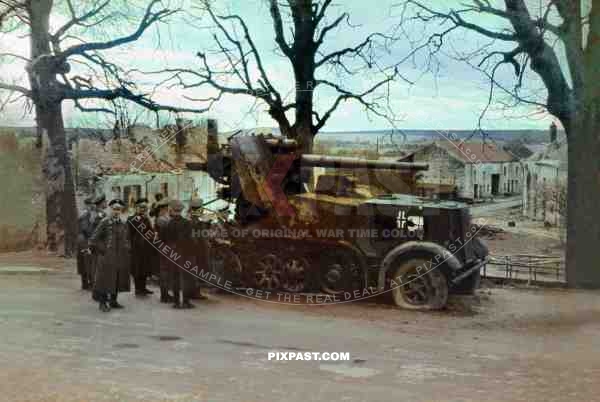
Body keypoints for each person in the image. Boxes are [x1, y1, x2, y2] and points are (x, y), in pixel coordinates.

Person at [90, 199, 131, 312]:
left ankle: (113, 301)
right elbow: (93, 239)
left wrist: (127, 247)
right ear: (110, 209)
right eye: (114, 209)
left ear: (121, 210)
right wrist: (103, 250)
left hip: (119, 257)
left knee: (116, 279)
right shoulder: (104, 222)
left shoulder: (123, 223)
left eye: (119, 209)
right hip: (106, 258)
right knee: (104, 280)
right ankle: (102, 303)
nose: (116, 211)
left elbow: (126, 238)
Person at [164, 199, 195, 309]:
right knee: (186, 277)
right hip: (184, 252)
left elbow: (166, 240)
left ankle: (176, 302)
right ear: (181, 210)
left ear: (172, 210)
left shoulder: (169, 223)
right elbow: (190, 240)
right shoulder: (187, 223)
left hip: (172, 253)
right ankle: (186, 301)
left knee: (175, 277)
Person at [127, 198, 154, 296]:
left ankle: (143, 287)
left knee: (145, 268)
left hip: (146, 247)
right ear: (136, 208)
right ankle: (138, 289)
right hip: (136, 248)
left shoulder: (146, 219)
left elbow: (150, 231)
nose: (143, 209)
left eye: (145, 208)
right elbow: (128, 234)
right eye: (141, 207)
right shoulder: (131, 219)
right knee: (137, 269)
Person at [188, 198, 210, 300]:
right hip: (197, 250)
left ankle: (194, 291)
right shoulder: (195, 222)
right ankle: (195, 292)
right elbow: (197, 237)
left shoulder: (192, 220)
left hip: (196, 249)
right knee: (197, 269)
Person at [153, 197, 173, 303]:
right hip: (164, 248)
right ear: (163, 209)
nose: (168, 209)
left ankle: (165, 294)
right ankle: (164, 295)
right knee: (164, 271)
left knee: (166, 271)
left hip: (165, 247)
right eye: (167, 208)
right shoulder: (161, 219)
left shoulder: (164, 218)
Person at [77, 196, 94, 290]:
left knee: (84, 262)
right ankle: (89, 283)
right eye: (91, 204)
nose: (92, 206)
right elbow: (85, 228)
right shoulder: (86, 214)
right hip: (85, 240)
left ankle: (85, 283)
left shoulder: (84, 213)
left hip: (82, 239)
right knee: (88, 261)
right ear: (88, 204)